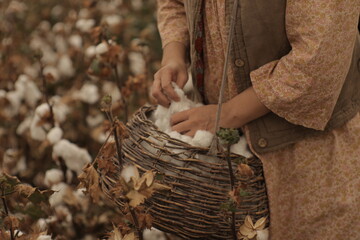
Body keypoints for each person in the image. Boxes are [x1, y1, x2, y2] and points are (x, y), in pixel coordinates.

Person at [152, 0, 360, 239]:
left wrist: (225, 115)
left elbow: (320, 59)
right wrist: (174, 55)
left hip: (305, 163)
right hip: (219, 153)